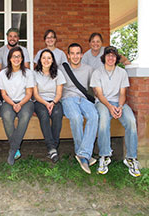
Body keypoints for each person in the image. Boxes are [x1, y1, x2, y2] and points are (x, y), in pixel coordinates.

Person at [90, 46, 141, 177]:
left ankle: (131, 158)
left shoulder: (122, 73)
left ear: (116, 58)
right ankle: (104, 155)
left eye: (113, 55)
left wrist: (119, 106)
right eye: (108, 55)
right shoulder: (97, 73)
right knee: (104, 120)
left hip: (119, 103)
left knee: (131, 121)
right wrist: (110, 107)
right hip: (102, 103)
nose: (111, 58)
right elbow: (99, 95)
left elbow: (123, 93)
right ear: (104, 57)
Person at [60, 43, 98, 174]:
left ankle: (82, 154)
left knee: (94, 116)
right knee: (76, 118)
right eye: (72, 54)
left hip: (84, 99)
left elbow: (95, 86)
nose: (75, 56)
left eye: (78, 53)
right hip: (68, 99)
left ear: (82, 55)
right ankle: (84, 154)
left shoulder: (89, 69)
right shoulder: (62, 68)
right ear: (68, 55)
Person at [0, 46, 34, 165]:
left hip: (25, 102)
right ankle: (16, 148)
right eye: (14, 56)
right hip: (8, 101)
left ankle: (13, 150)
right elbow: (3, 94)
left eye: (19, 56)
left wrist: (20, 104)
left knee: (24, 117)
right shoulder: (3, 73)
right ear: (9, 58)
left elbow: (29, 93)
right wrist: (13, 104)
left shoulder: (28, 73)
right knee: (7, 116)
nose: (16, 59)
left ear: (22, 58)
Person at [33, 49, 66, 163]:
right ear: (40, 60)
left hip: (55, 100)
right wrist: (46, 103)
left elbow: (59, 93)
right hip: (40, 101)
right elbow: (36, 94)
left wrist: (53, 103)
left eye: (49, 58)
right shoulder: (35, 74)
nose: (46, 60)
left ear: (52, 60)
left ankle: (53, 147)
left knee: (57, 114)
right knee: (44, 115)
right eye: (43, 58)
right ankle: (51, 147)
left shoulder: (58, 73)